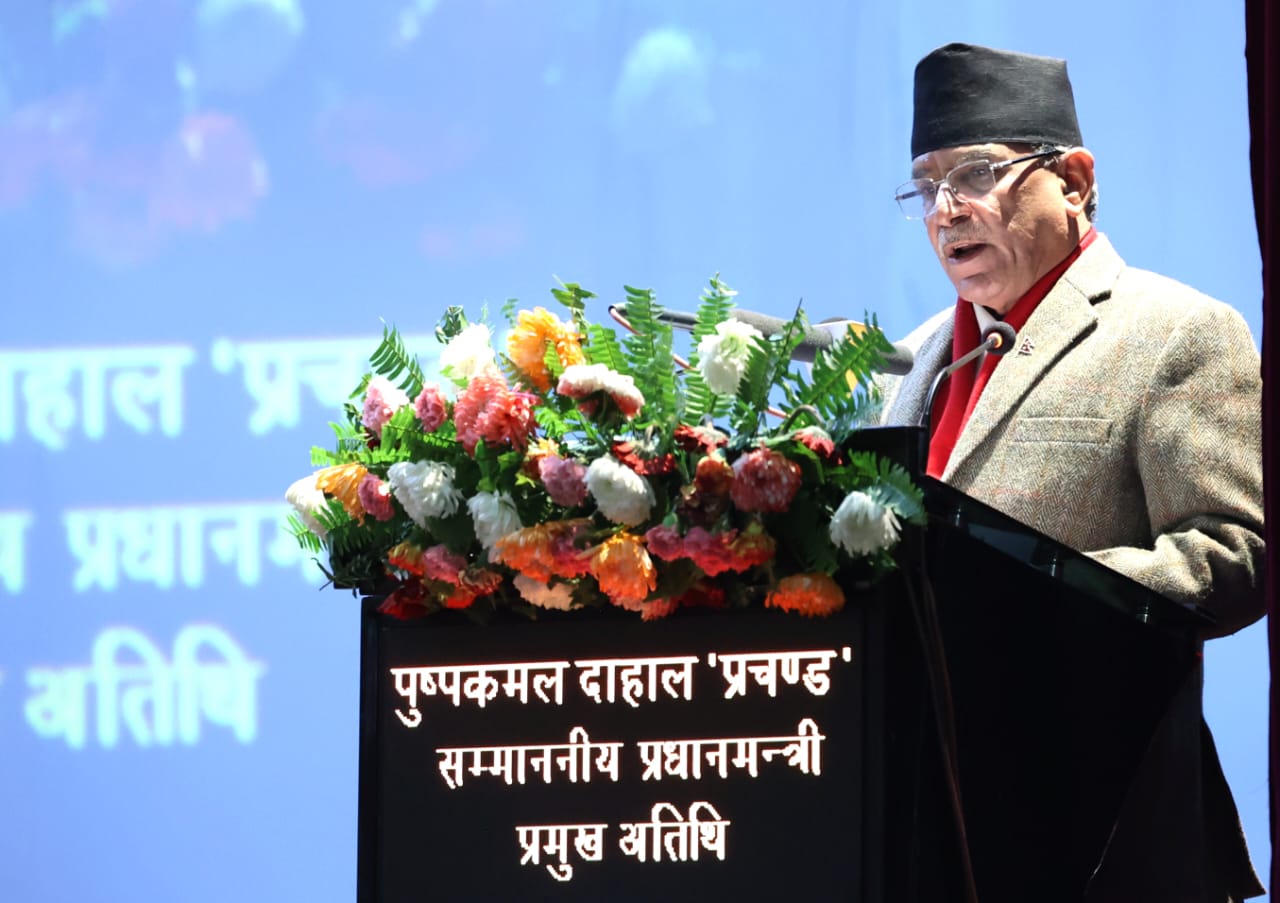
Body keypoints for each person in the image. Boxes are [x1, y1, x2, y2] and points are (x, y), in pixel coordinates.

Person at [877, 43, 1266, 900]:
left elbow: (1236, 555)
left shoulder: (1175, 331)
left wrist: (1036, 598)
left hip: (1106, 826)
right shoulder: (908, 362)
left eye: (977, 174)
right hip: (931, 833)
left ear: (1076, 180)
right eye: (927, 186)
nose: (947, 211)